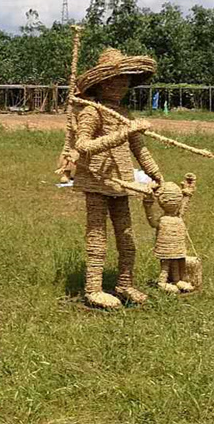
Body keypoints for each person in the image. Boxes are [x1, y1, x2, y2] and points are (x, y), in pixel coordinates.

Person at [72, 48, 162, 309]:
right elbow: (84, 146)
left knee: (126, 235)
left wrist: (156, 174)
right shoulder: (92, 112)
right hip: (97, 178)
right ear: (101, 83)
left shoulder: (123, 114)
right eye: (115, 81)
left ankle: (124, 283)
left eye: (125, 82)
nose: (121, 86)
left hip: (121, 181)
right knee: (97, 233)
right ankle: (93, 289)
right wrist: (122, 134)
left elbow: (140, 148)